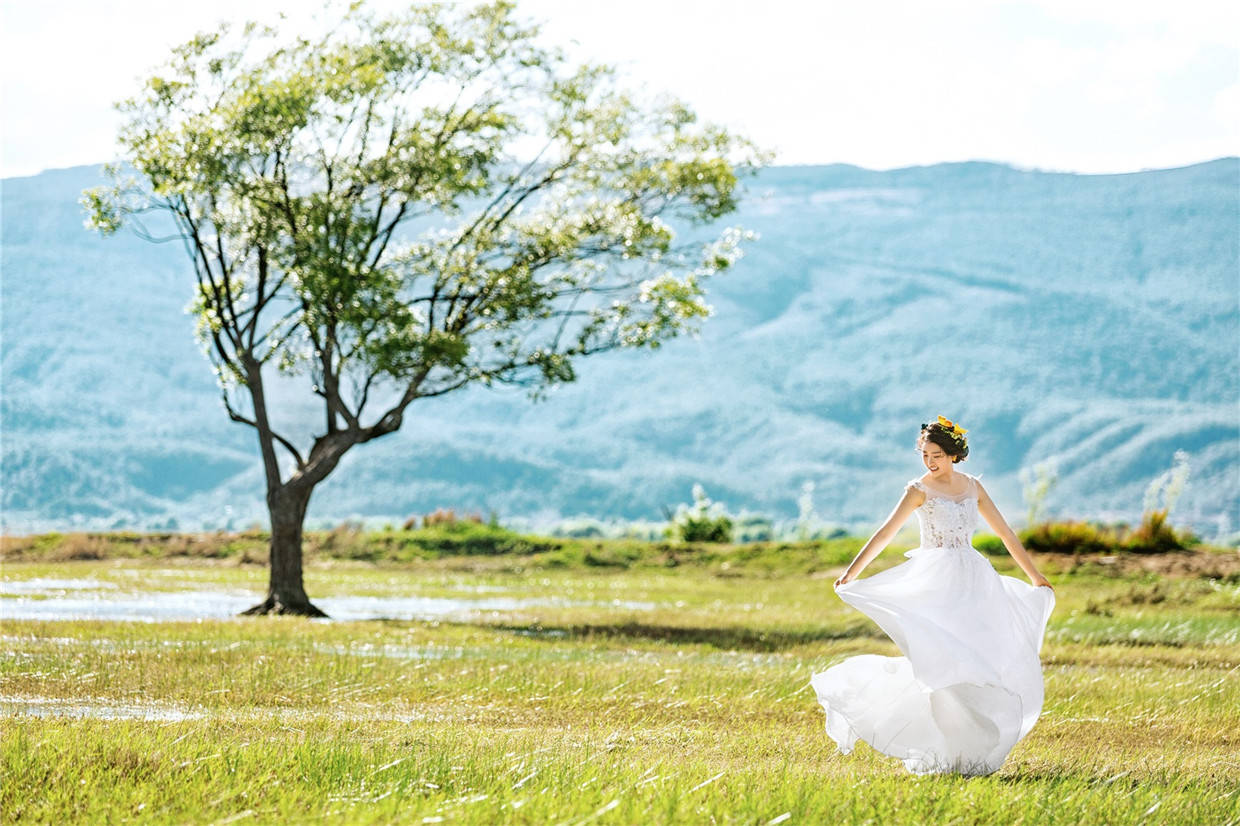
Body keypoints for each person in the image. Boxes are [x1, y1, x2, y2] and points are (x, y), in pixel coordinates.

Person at [810, 416, 1056, 776]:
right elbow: (885, 534)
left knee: (978, 657)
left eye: (937, 454)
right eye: (925, 454)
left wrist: (1035, 576)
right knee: (940, 659)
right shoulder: (917, 490)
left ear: (954, 453)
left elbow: (1005, 534)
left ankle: (975, 745)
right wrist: (852, 572)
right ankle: (946, 747)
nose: (930, 461)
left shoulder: (973, 487)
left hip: (974, 581)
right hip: (934, 582)